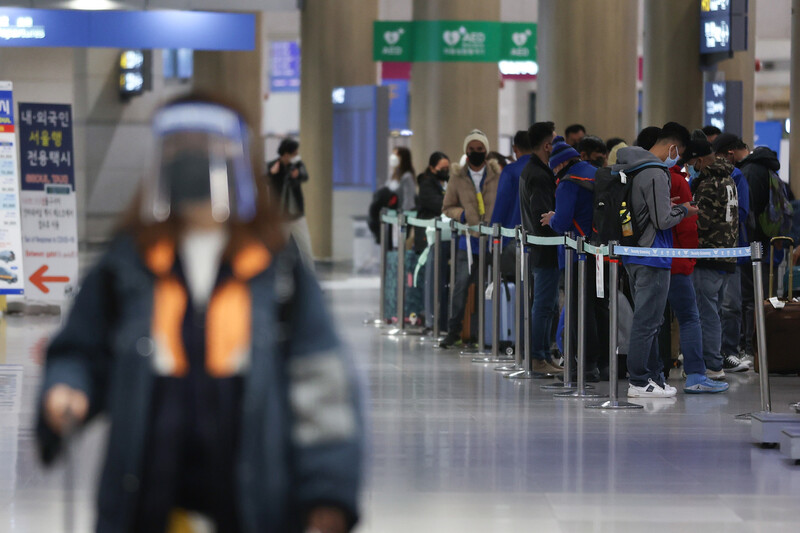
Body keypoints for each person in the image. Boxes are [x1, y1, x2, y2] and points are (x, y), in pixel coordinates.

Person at [37, 95, 364, 533]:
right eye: (177, 147)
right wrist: (66, 388)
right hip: (146, 489)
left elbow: (321, 378)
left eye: (212, 147)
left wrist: (327, 488)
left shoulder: (276, 268)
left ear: (239, 162)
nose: (195, 160)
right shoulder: (128, 263)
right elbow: (80, 349)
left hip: (251, 490)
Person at [613, 122, 698, 398]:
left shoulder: (633, 167)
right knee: (648, 322)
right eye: (679, 153)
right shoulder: (655, 171)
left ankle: (650, 377)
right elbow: (662, 222)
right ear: (673, 147)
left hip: (635, 252)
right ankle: (639, 380)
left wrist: (670, 207)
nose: (678, 159)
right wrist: (684, 210)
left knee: (647, 319)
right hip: (653, 255)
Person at [541, 140, 605, 380]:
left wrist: (552, 218)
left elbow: (564, 221)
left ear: (564, 163)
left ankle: (584, 366)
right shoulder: (596, 173)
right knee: (600, 307)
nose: (555, 173)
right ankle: (602, 364)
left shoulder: (568, 184)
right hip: (601, 251)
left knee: (580, 308)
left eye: (555, 168)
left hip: (579, 253)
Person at [668, 139, 728, 393]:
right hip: (695, 258)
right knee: (699, 314)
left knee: (697, 313)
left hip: (679, 258)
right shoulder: (727, 179)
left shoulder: (699, 182)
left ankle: (648, 374)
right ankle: (701, 370)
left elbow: (691, 220)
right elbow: (689, 223)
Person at [439, 130, 502, 349]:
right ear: (466, 151)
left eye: (480, 149)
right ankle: (453, 330)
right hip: (468, 240)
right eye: (471, 149)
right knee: (461, 286)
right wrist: (462, 215)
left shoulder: (497, 175)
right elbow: (447, 207)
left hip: (493, 240)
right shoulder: (457, 176)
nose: (476, 153)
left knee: (490, 286)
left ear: (486, 151)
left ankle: (485, 333)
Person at [691, 140, 740, 379]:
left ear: (700, 160)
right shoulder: (729, 179)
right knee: (715, 311)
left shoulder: (709, 183)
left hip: (708, 254)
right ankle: (715, 359)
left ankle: (712, 364)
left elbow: (702, 222)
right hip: (727, 254)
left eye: (693, 163)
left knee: (707, 312)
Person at [519, 121, 563, 374]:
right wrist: (557, 218)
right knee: (544, 305)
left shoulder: (533, 170)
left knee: (547, 305)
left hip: (541, 248)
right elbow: (541, 215)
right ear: (547, 145)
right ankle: (537, 357)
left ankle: (544, 355)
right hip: (544, 248)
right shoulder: (539, 175)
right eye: (555, 141)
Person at [738, 145, 784, 358]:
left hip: (751, 242)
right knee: (763, 294)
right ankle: (762, 345)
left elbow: (748, 210)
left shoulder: (748, 172)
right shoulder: (770, 171)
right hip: (767, 240)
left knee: (749, 296)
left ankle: (750, 346)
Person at [712, 133, 753, 369]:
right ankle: (723, 351)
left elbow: (742, 213)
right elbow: (743, 213)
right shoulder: (734, 175)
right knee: (724, 304)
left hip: (723, 250)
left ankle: (725, 351)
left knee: (725, 304)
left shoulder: (736, 176)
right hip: (727, 248)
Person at [268, 138, 314, 269]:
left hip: (296, 214)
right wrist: (272, 174)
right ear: (286, 154)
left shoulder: (297, 165)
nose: (296, 155)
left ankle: (309, 271)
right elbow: (263, 180)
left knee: (305, 245)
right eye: (294, 153)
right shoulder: (273, 166)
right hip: (280, 215)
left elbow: (305, 176)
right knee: (276, 247)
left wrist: (298, 175)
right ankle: (273, 273)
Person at [418, 152, 451, 330]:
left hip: (443, 236)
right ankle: (432, 319)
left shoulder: (445, 183)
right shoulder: (426, 184)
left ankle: (441, 319)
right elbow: (440, 205)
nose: (446, 171)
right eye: (442, 168)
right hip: (429, 238)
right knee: (432, 280)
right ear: (432, 168)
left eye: (448, 168)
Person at [389, 146, 417, 212]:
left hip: (400, 215)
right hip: (392, 213)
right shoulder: (394, 175)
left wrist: (402, 216)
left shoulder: (407, 177)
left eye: (396, 155)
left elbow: (408, 201)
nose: (394, 158)